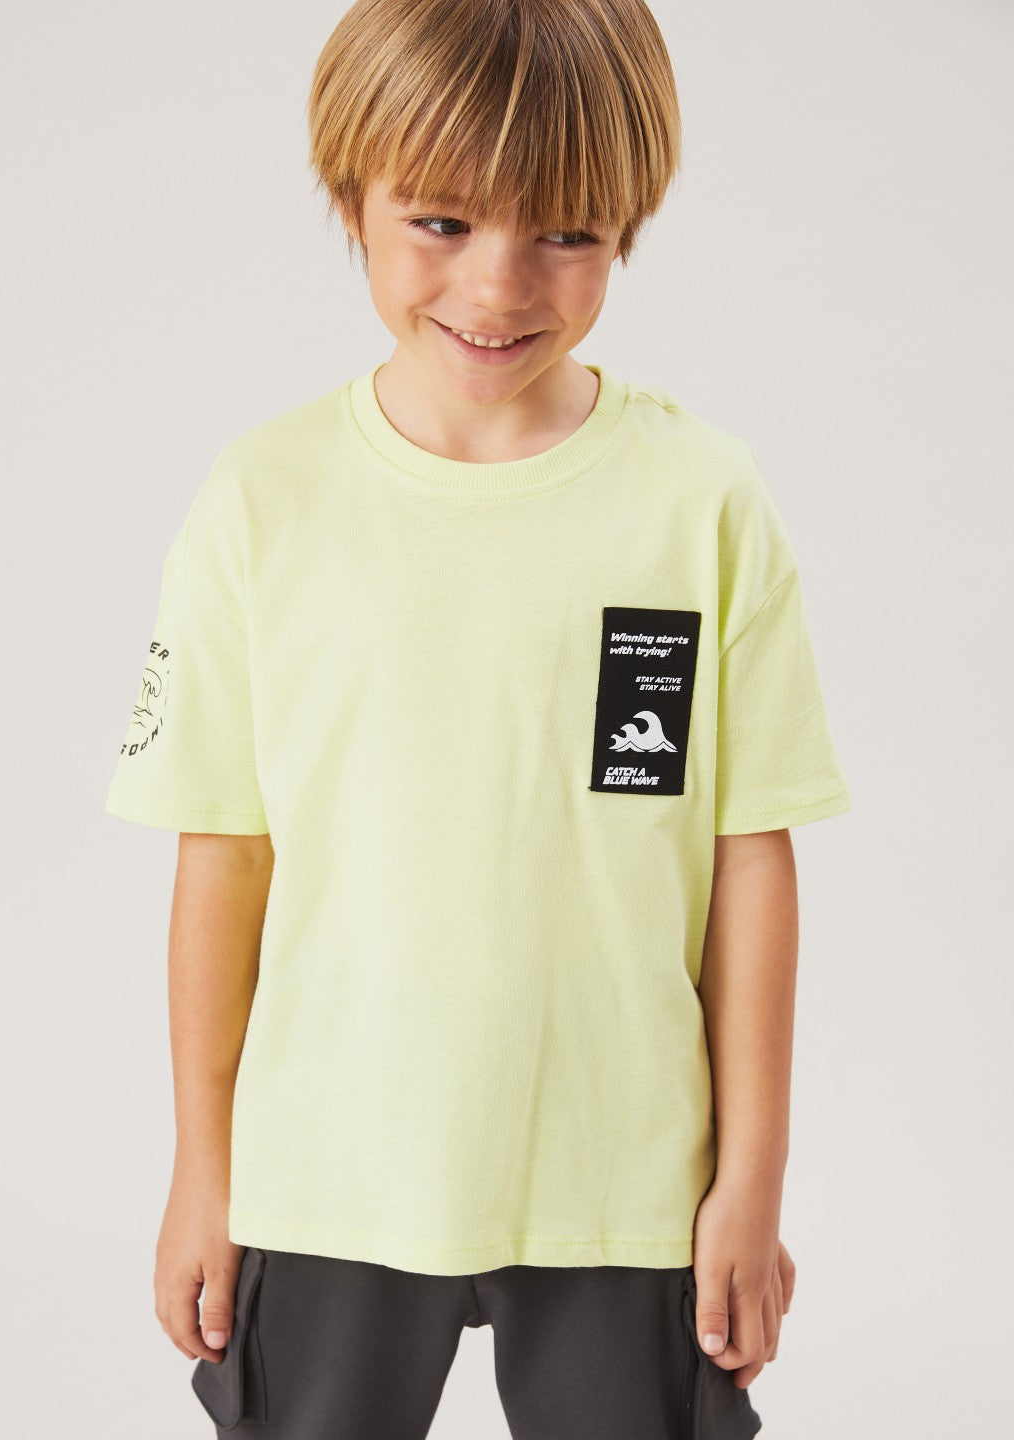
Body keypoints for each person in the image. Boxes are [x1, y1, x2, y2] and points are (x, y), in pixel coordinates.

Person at [104, 1, 851, 1435]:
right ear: (352, 201)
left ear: (628, 225)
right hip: (328, 1168)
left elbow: (749, 855)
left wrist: (749, 1176)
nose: (499, 285)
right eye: (440, 222)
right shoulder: (264, 501)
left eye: (567, 232)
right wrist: (206, 1166)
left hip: (626, 1175)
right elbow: (226, 856)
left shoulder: (697, 502)